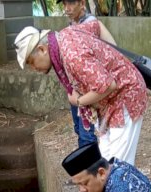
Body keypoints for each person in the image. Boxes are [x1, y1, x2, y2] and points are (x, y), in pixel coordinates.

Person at [14, 24, 146, 165]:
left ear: (42, 49)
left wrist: (79, 101)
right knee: (105, 165)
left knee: (119, 166)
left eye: (31, 62)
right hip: (109, 103)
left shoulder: (72, 54)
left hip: (125, 96)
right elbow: (97, 26)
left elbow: (108, 85)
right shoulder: (65, 34)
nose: (34, 68)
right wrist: (116, 59)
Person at [58, 0, 116, 148]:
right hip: (77, 88)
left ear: (82, 3)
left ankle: (91, 165)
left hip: (91, 86)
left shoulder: (91, 24)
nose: (67, 9)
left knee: (87, 132)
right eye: (64, 5)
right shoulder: (73, 26)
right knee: (80, 128)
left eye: (70, 3)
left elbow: (113, 50)